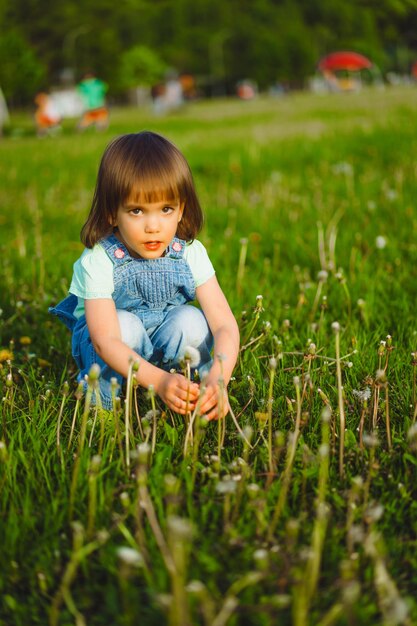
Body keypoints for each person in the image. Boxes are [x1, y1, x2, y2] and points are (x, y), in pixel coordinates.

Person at [49, 131, 239, 420]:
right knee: (126, 326)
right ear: (112, 213)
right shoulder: (99, 260)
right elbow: (105, 340)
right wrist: (158, 382)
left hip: (160, 336)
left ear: (180, 210)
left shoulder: (189, 252)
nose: (153, 226)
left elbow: (224, 324)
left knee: (192, 320)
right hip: (112, 348)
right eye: (137, 211)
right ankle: (105, 404)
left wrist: (220, 376)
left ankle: (197, 390)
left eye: (165, 209)